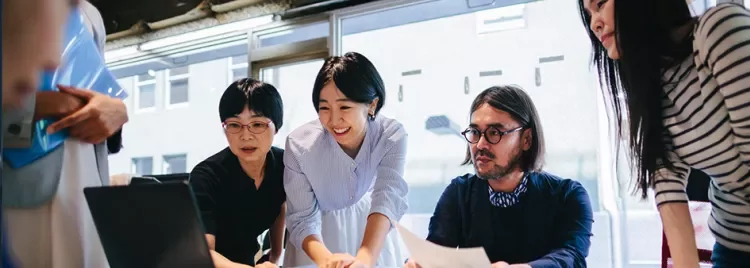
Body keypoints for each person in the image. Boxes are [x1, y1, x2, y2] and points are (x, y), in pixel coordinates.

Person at [579, 1, 750, 267]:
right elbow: (669, 191)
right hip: (735, 246)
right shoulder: (654, 84)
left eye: (600, 4)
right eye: (589, 15)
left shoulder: (719, 31)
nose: (594, 23)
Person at [404, 85, 593, 268]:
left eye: (494, 133)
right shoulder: (460, 193)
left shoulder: (568, 195)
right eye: (475, 133)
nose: (480, 144)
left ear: (526, 139)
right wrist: (419, 263)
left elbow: (572, 258)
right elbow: (437, 251)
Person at [2, 1, 128, 267]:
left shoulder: (90, 14)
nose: (52, 60)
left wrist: (116, 112)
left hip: (88, 185)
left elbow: (97, 90)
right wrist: (44, 105)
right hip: (20, 183)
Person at [283, 52, 409, 268]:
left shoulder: (391, 135)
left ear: (372, 105)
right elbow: (302, 217)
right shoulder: (299, 145)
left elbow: (387, 196)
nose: (333, 120)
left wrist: (365, 259)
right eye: (324, 108)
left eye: (344, 107)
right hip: (316, 239)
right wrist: (327, 260)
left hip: (371, 229)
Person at [189, 78, 286, 268]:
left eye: (257, 124)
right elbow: (205, 255)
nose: (246, 136)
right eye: (234, 125)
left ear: (277, 127)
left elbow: (279, 204)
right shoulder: (206, 177)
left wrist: (275, 255)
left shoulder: (284, 164)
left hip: (249, 260)